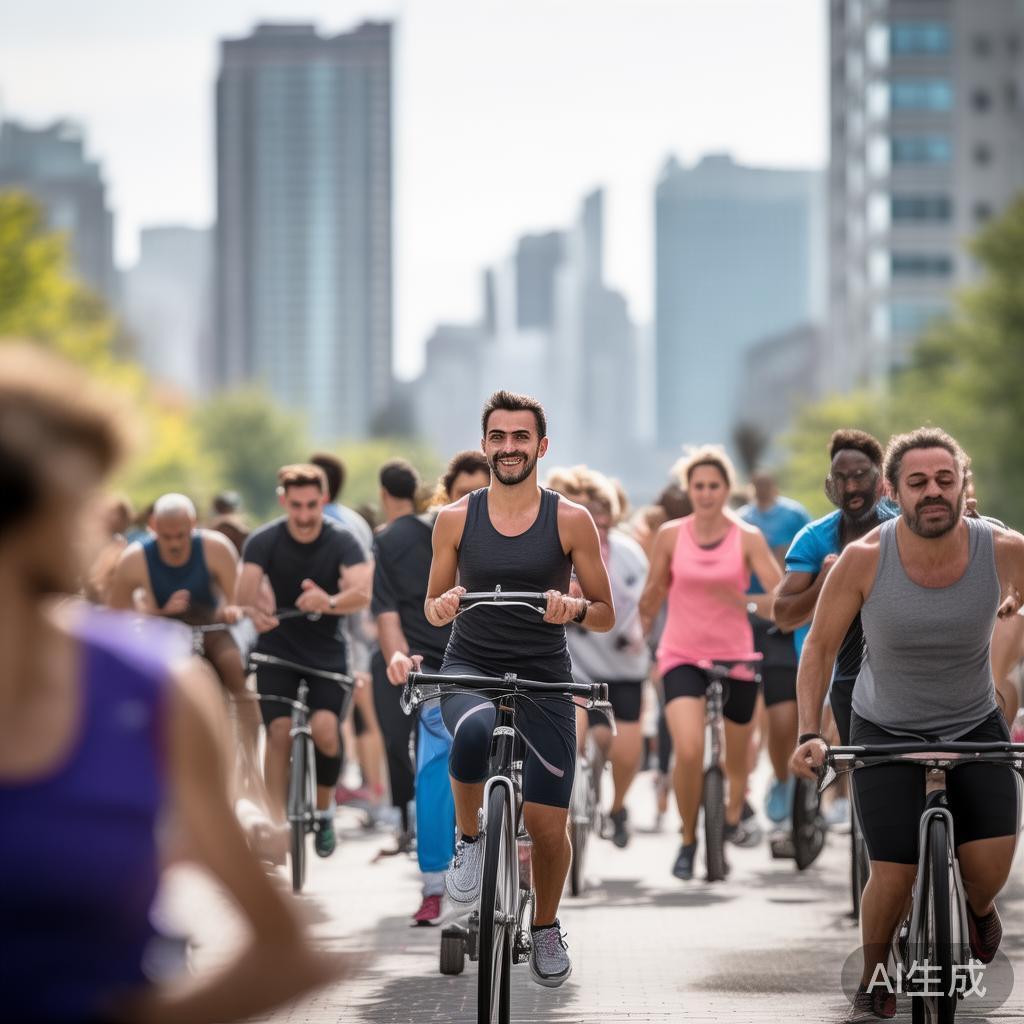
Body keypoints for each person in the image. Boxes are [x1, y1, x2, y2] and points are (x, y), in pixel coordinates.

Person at [0, 345, 343, 1023]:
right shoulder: (134, 563)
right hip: (160, 625)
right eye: (83, 495)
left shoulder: (149, 683)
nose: (98, 516)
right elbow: (124, 607)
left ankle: (244, 751)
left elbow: (288, 954)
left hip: (206, 633)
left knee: (228, 671)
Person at [790, 427, 1024, 1021]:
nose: (934, 492)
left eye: (946, 480)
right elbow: (817, 649)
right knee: (893, 871)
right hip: (885, 726)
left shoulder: (1001, 549)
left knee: (988, 868)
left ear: (963, 484)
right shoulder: (864, 559)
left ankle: (976, 910)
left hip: (973, 722)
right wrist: (809, 733)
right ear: (894, 491)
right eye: (918, 483)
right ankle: (873, 974)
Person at [421, 390, 615, 988]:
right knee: (475, 728)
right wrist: (446, 602)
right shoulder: (455, 518)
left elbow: (606, 612)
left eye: (520, 438)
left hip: (544, 675)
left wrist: (573, 607)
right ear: (485, 446)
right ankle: (470, 840)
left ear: (541, 446)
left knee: (550, 827)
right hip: (470, 666)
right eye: (498, 438)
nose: (509, 448)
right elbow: (430, 609)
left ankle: (548, 926)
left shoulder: (570, 520)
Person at [638, 446, 782, 880]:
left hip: (735, 653)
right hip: (681, 653)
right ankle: (687, 839)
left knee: (739, 760)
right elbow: (653, 594)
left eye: (713, 485)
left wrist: (744, 601)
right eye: (698, 486)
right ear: (689, 489)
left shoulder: (747, 537)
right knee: (688, 749)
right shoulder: (670, 535)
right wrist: (641, 623)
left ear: (726, 489)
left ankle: (733, 814)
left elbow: (781, 602)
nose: (705, 493)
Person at [236, 464, 373, 856]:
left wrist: (327, 601)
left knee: (326, 730)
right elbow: (243, 593)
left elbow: (363, 594)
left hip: (327, 651)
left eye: (312, 505)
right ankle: (275, 824)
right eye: (296, 505)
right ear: (284, 501)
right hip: (276, 649)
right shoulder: (264, 540)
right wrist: (255, 609)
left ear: (324, 500)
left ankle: (325, 809)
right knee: (277, 733)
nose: (304, 514)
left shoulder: (343, 540)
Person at [372, 458, 458, 925]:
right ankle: (433, 882)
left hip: (504, 670)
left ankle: (520, 860)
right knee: (433, 761)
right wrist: (396, 657)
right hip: (434, 671)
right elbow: (386, 613)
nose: (473, 506)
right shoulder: (398, 540)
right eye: (462, 495)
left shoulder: (521, 535)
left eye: (481, 494)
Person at [556, 467, 650, 848]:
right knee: (571, 740)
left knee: (626, 752)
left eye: (604, 513)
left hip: (622, 670)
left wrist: (637, 635)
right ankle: (567, 818)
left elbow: (645, 607)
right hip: (573, 668)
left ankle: (617, 807)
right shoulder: (558, 552)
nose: (600, 522)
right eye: (589, 515)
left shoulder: (630, 555)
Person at [311, 451, 387, 812]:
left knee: (338, 711)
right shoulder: (356, 520)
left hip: (331, 627)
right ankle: (374, 789)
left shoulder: (318, 521)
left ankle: (341, 783)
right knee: (363, 713)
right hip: (361, 627)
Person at [737, 473, 811, 826]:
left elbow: (811, 559)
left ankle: (794, 784)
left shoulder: (795, 515)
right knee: (763, 718)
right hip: (751, 624)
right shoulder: (743, 520)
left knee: (791, 717)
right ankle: (767, 784)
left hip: (789, 622)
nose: (764, 488)